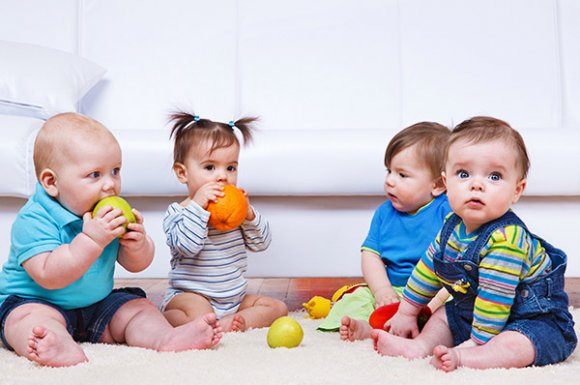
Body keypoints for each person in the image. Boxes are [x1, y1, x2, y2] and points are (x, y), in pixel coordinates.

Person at [0, 113, 222, 367]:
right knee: (26, 321)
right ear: (51, 182)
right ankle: (56, 344)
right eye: (95, 175)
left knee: (137, 308)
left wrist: (138, 244)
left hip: (96, 304)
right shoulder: (33, 219)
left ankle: (166, 337)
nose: (110, 185)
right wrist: (91, 240)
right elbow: (49, 275)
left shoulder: (104, 214)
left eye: (115, 171)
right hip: (38, 301)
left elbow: (137, 265)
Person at [371, 116, 577, 371]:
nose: (476, 185)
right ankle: (420, 347)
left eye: (494, 176)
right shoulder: (451, 226)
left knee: (515, 344)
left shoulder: (507, 240)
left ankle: (471, 357)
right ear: (446, 184)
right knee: (444, 317)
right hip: (475, 311)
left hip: (534, 320)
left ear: (517, 189)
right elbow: (428, 269)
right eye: (464, 174)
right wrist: (407, 312)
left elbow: (495, 298)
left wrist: (476, 343)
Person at [160, 112, 288, 332]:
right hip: (192, 296)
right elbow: (188, 247)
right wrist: (198, 206)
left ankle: (238, 322)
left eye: (231, 168)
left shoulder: (235, 211)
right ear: (183, 173)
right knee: (200, 313)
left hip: (234, 299)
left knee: (277, 307)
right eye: (210, 167)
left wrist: (248, 215)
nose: (223, 176)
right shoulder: (178, 213)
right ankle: (175, 320)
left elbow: (262, 243)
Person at [327, 122, 452, 338]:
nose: (389, 181)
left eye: (402, 175)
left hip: (435, 293)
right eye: (389, 171)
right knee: (354, 300)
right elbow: (371, 255)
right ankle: (369, 328)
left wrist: (437, 299)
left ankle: (421, 327)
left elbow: (457, 260)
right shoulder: (384, 214)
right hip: (394, 292)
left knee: (457, 306)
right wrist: (381, 291)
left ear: (438, 185)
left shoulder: (448, 212)